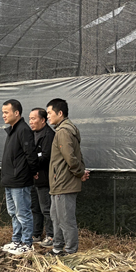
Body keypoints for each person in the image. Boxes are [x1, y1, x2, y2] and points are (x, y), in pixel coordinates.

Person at [46, 98, 90, 256]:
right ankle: (57, 248)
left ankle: (71, 252)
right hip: (59, 184)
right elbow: (77, 155)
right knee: (56, 218)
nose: (48, 116)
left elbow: (70, 158)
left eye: (50, 113)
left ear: (60, 113)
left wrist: (79, 172)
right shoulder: (64, 129)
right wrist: (81, 171)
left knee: (65, 220)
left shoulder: (63, 131)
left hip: (63, 183)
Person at [0, 99, 39, 255]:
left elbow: (31, 155)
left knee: (23, 212)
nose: (3, 115)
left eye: (6, 112)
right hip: (10, 179)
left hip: (20, 180)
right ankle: (16, 240)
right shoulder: (13, 130)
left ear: (16, 113)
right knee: (13, 213)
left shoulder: (23, 130)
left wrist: (32, 170)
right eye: (2, 112)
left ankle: (27, 243)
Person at [28, 107, 55, 247]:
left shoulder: (49, 135)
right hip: (33, 176)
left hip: (45, 178)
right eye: (30, 119)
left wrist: (31, 160)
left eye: (33, 118)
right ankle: (36, 233)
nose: (31, 122)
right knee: (35, 207)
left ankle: (51, 236)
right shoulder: (32, 134)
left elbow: (45, 157)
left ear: (43, 120)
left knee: (46, 208)